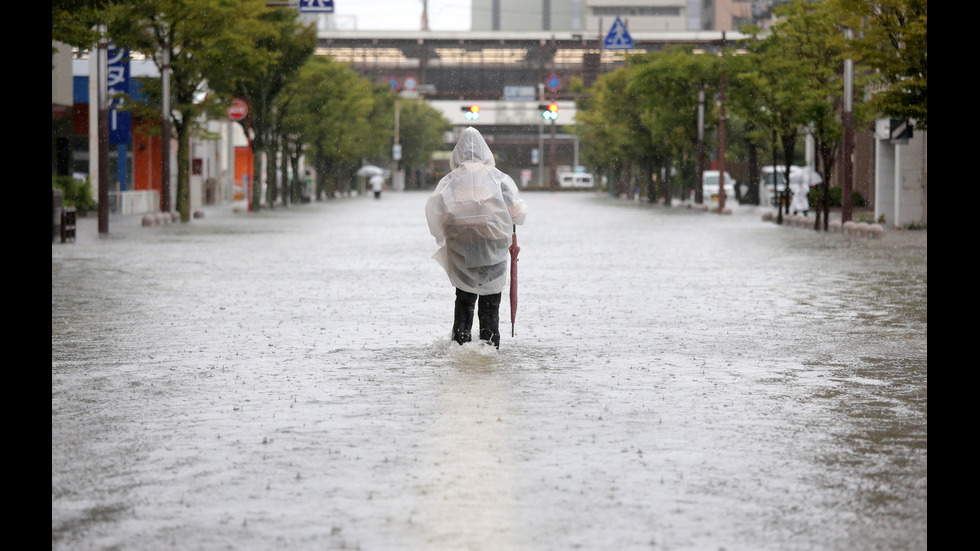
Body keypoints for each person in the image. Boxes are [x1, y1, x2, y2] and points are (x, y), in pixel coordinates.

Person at [425, 127, 527, 349]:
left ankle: (460, 345)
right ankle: (489, 351)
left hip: (462, 250)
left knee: (464, 300)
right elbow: (517, 214)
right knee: (490, 303)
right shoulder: (499, 179)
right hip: (493, 249)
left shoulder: (450, 182)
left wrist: (446, 236)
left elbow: (435, 215)